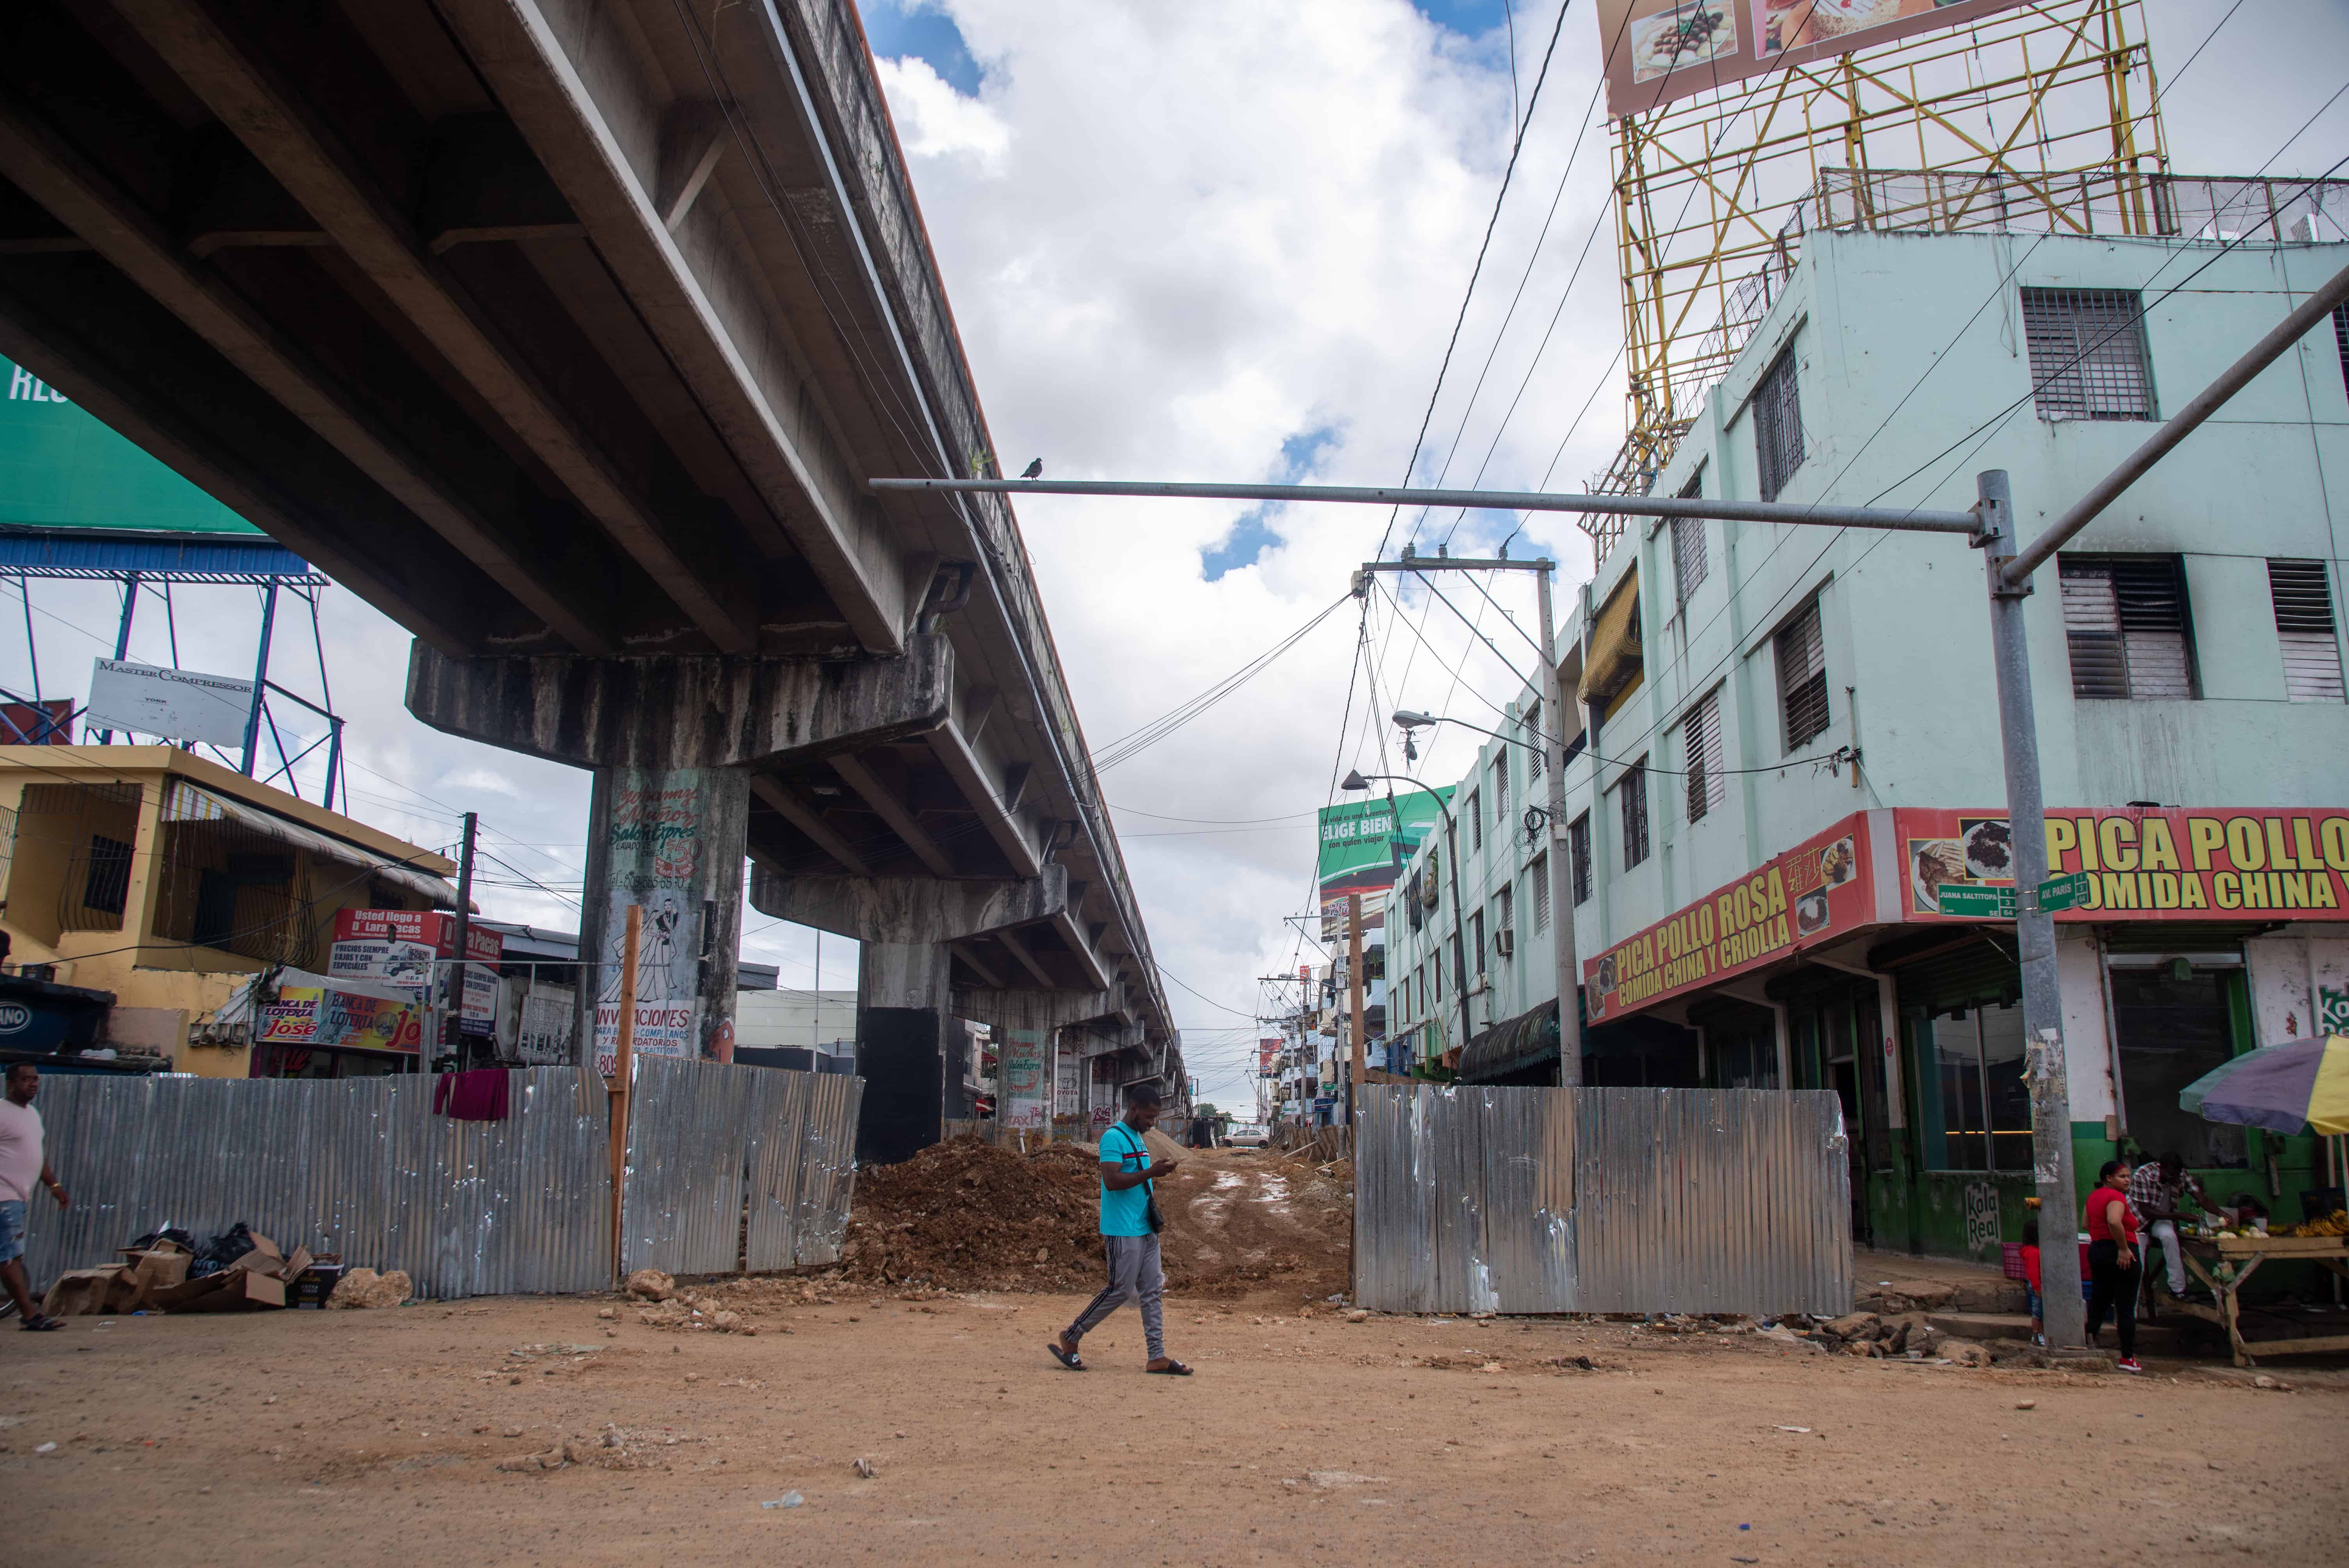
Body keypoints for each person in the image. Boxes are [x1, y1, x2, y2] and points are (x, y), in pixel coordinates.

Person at [1048, 1082, 1191, 1376]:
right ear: (1134, 1109)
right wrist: (1153, 1172)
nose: (1152, 1124)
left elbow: (1137, 1176)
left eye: (1155, 1118)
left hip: (1145, 1227)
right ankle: (1071, 1336)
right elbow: (1112, 1182)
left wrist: (1155, 1172)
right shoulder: (1113, 1139)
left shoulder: (1138, 1139)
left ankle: (1157, 1357)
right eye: (1149, 1117)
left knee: (1152, 1291)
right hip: (1123, 1229)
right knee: (1120, 1290)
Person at [1, 1062, 71, 1330]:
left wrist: (54, 1186)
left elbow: (36, 1156)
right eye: (26, 1080)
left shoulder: (32, 1115)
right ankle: (30, 1314)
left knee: (11, 1257)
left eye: (36, 1079)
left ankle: (28, 1312)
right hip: (3, 1198)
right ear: (10, 1084)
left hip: (19, 1198)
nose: (33, 1084)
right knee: (8, 1257)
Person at [2085, 1157, 2142, 1373]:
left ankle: (2088, 1344)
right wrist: (2124, 1248)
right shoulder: (2116, 1197)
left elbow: (2086, 1224)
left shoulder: (2093, 1197)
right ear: (2109, 1179)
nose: (2128, 1180)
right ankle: (2128, 1357)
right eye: (2123, 1177)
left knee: (2099, 1302)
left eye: (2129, 1177)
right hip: (2121, 1254)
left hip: (2098, 1251)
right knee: (2126, 1305)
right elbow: (2114, 1221)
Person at [2127, 1151, 2206, 1306]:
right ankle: (2132, 1309)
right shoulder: (2143, 1175)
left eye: (2177, 1176)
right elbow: (2146, 1211)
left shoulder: (2180, 1174)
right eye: (2171, 1176)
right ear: (2161, 1169)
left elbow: (2200, 1197)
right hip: (2138, 1221)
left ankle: (2178, 1290)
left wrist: (2220, 1213)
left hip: (2162, 1220)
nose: (2175, 1179)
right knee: (2138, 1263)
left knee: (2170, 1237)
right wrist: (2180, 1217)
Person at [2020, 1218, 2044, 1347]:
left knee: (2040, 1313)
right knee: (2038, 1313)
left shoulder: (2029, 1251)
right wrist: (2038, 1288)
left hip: (2036, 1284)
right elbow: (2034, 1273)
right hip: (2037, 1285)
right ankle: (2037, 1337)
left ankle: (2040, 1336)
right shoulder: (2034, 1253)